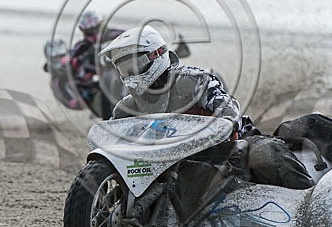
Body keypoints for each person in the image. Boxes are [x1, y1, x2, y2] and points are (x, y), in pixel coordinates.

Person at [100, 25, 315, 189]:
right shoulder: (127, 106)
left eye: (134, 65)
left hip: (227, 148)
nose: (130, 74)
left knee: (266, 154)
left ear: (157, 54)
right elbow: (111, 141)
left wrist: (227, 122)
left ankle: (307, 200)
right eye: (124, 68)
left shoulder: (193, 80)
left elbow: (228, 107)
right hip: (165, 163)